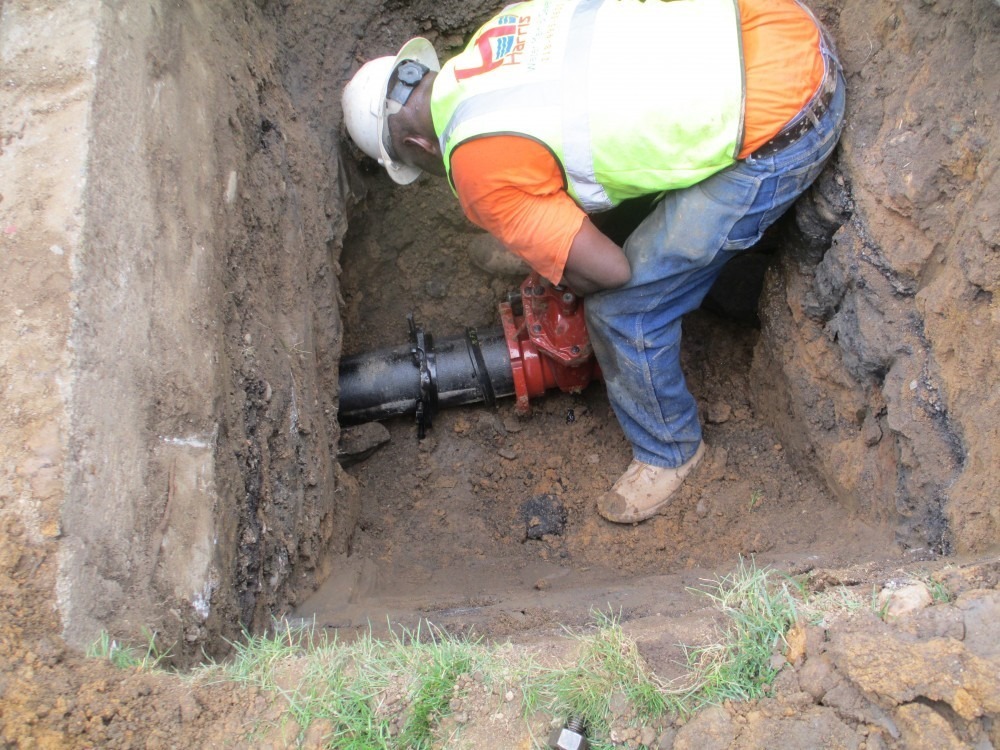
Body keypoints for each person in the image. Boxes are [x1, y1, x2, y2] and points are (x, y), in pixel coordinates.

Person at [342, 0, 846, 524]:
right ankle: (725, 279)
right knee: (623, 220)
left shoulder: (475, 169)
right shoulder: (505, 30)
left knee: (623, 312)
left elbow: (611, 273)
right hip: (777, 26)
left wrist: (559, 270)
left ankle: (669, 450)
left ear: (416, 144)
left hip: (790, 126)